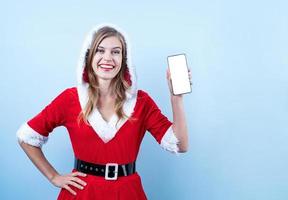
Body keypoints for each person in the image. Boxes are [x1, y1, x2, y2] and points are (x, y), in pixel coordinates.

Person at [16, 23, 191, 200]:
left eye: (116, 52)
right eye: (100, 50)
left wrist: (176, 97)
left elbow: (180, 145)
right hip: (82, 193)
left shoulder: (141, 102)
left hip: (128, 193)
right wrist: (53, 176)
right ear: (89, 56)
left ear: (125, 60)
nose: (107, 58)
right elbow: (26, 137)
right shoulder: (70, 98)